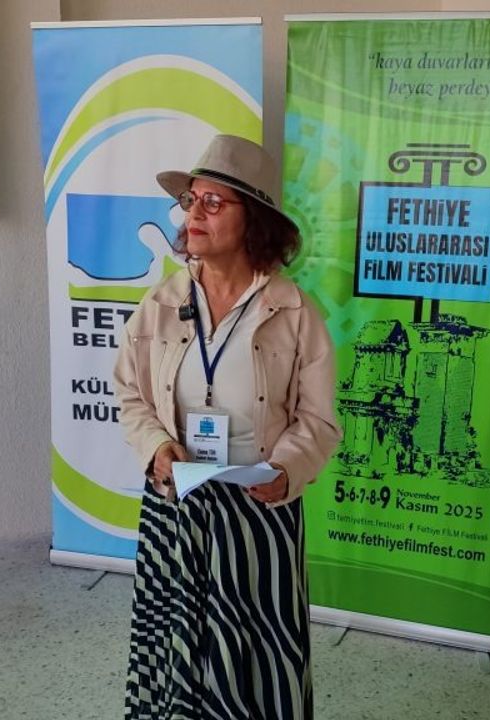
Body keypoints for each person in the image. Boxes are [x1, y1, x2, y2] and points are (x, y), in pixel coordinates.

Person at [113, 134, 341, 720]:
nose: (195, 214)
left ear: (254, 220)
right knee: (176, 645)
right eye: (191, 200)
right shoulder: (160, 304)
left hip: (259, 507)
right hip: (178, 504)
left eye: (214, 203)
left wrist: (287, 468)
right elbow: (131, 394)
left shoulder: (294, 312)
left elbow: (318, 419)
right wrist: (157, 447)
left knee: (260, 651)